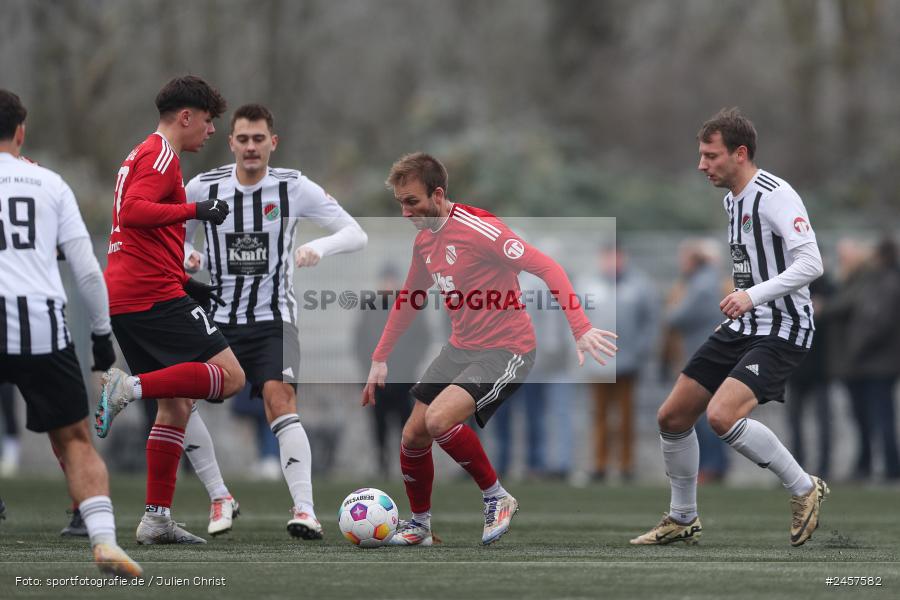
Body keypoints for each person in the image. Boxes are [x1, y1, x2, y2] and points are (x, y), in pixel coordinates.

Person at [362, 153, 618, 546]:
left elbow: (548, 267)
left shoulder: (481, 229)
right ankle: (420, 526)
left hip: (508, 349)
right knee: (413, 434)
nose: (404, 211)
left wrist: (580, 327)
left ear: (438, 193)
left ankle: (497, 497)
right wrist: (380, 357)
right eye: (399, 202)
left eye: (411, 201)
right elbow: (410, 299)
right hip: (461, 348)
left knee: (439, 421)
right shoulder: (425, 242)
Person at [631, 108, 827, 548]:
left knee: (721, 416)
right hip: (745, 323)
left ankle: (804, 488)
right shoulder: (732, 200)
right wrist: (743, 298)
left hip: (783, 325)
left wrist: (752, 295)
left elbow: (812, 262)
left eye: (710, 155)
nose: (702, 165)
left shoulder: (775, 195)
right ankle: (683, 517)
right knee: (673, 415)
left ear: (740, 154)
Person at [181, 103, 368, 538]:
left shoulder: (293, 187)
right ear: (230, 143)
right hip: (218, 318)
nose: (250, 147)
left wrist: (319, 249)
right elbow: (172, 240)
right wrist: (187, 257)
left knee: (279, 400)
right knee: (176, 403)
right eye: (242, 139)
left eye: (258, 139)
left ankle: (304, 510)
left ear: (272, 143)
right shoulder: (201, 187)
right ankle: (219, 496)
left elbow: (354, 233)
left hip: (273, 319)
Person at [96, 75, 246, 545]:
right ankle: (129, 386)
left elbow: (141, 231)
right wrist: (196, 211)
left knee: (177, 404)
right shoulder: (161, 156)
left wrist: (187, 284)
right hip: (148, 294)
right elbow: (135, 214)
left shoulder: (145, 154)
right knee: (231, 377)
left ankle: (156, 518)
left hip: (132, 293)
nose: (211, 131)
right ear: (186, 117)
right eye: (208, 122)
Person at [0, 89, 140, 575]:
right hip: (41, 323)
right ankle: (103, 540)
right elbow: (86, 270)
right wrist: (101, 337)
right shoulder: (50, 184)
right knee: (76, 438)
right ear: (21, 132)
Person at [353, 264, 430, 477]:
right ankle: (382, 465)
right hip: (377, 379)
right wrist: (368, 366)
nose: (388, 284)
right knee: (378, 424)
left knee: (406, 424)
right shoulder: (370, 307)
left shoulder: (410, 307)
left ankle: (407, 466)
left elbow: (423, 339)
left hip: (403, 378)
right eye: (385, 280)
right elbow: (359, 340)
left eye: (392, 280)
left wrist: (410, 364)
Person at [665, 239, 731, 483]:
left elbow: (677, 317)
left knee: (704, 414)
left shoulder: (703, 284)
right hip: (709, 353)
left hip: (703, 355)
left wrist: (670, 309)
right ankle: (715, 464)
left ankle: (712, 466)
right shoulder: (710, 281)